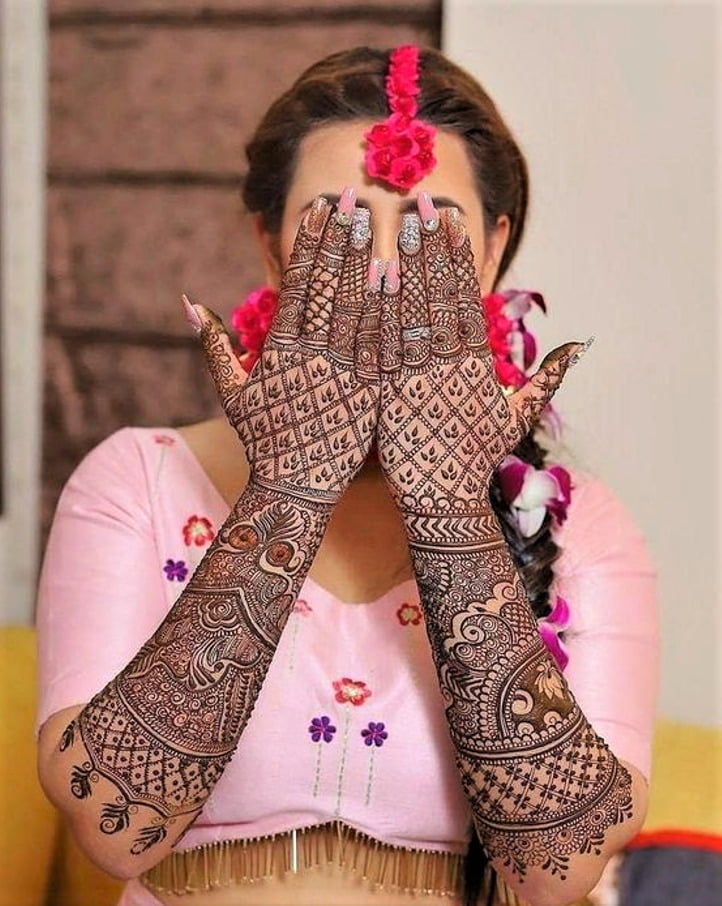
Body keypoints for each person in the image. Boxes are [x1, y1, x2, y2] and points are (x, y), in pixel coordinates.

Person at [35, 45, 657, 906]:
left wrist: (446, 507)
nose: (386, 272)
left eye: (432, 226)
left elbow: (559, 872)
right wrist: (291, 489)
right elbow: (114, 821)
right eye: (341, 224)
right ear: (268, 244)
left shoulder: (581, 528)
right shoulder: (135, 481)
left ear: (490, 252)